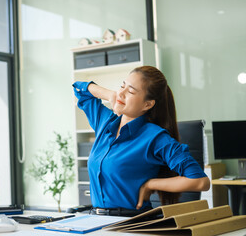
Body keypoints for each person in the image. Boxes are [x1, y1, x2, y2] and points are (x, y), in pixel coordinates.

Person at [72, 65, 210, 216]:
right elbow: (80, 89)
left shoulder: (156, 137)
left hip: (129, 222)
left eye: (130, 91)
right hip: (95, 219)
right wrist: (111, 95)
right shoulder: (105, 122)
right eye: (122, 86)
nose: (122, 93)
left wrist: (152, 184)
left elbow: (201, 181)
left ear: (147, 104)